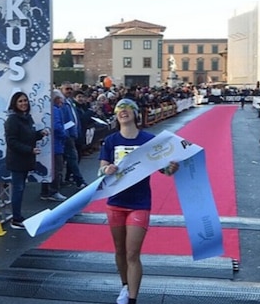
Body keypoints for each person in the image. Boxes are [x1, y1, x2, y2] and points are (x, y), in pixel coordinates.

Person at [98, 98, 179, 304]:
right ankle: (125, 286)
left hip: (139, 203)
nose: (123, 112)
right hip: (115, 201)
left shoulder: (148, 140)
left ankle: (132, 299)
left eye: (127, 109)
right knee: (119, 250)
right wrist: (106, 170)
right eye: (119, 109)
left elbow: (164, 170)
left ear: (135, 114)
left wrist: (172, 167)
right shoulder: (111, 141)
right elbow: (101, 170)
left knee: (132, 253)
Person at [3, 91, 49, 229]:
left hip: (26, 159)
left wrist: (40, 134)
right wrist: (29, 150)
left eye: (25, 101)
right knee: (18, 189)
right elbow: (12, 141)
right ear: (15, 104)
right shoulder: (12, 120)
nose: (23, 103)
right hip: (17, 160)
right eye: (20, 101)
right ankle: (16, 219)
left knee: (20, 189)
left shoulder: (27, 118)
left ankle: (17, 216)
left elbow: (29, 136)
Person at [40, 89, 68, 202]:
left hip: (50, 144)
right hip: (56, 144)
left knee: (48, 168)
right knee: (57, 169)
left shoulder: (49, 109)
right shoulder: (56, 110)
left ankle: (45, 191)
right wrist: (64, 134)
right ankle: (53, 191)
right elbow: (57, 126)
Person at [61, 83, 87, 188]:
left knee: (70, 159)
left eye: (71, 89)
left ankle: (67, 178)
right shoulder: (62, 103)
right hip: (66, 136)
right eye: (67, 89)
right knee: (72, 158)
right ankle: (79, 180)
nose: (69, 91)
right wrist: (67, 133)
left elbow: (75, 119)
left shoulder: (70, 102)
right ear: (61, 89)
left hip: (73, 134)